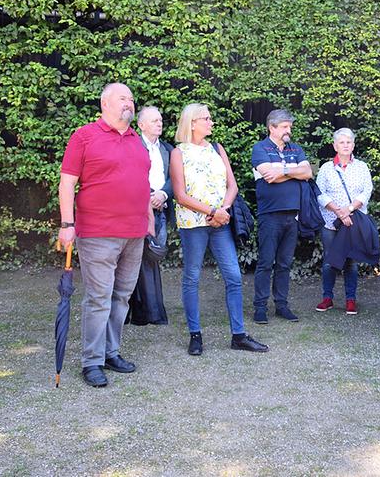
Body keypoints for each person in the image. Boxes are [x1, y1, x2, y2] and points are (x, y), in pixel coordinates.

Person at [58, 82, 154, 388]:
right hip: (98, 232)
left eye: (131, 98)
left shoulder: (137, 140)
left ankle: (111, 352)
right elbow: (66, 183)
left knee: (122, 297)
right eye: (122, 98)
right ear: (105, 104)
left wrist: (148, 218)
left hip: (134, 233)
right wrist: (66, 223)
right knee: (99, 298)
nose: (129, 102)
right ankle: (92, 361)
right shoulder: (84, 136)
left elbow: (141, 182)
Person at [170, 103, 269, 356]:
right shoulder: (178, 153)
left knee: (234, 277)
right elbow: (180, 195)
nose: (211, 122)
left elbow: (232, 185)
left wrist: (223, 210)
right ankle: (195, 335)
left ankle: (238, 335)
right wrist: (212, 213)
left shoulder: (217, 148)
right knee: (192, 278)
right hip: (193, 225)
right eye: (206, 118)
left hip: (220, 223)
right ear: (192, 123)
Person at [251, 109, 313, 323]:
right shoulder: (259, 148)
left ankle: (281, 305)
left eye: (290, 126)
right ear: (272, 127)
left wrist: (283, 171)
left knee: (285, 263)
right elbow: (269, 177)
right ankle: (260, 307)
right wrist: (293, 171)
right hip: (270, 215)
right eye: (285, 126)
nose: (289, 130)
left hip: (293, 215)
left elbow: (308, 172)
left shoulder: (295, 148)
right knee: (266, 262)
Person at [314, 128, 374, 315]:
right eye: (342, 142)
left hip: (352, 223)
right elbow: (319, 194)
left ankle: (350, 300)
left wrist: (348, 210)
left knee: (351, 262)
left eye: (349, 142)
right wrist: (339, 212)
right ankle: (327, 298)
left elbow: (367, 191)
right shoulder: (325, 168)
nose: (346, 145)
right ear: (335, 145)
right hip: (331, 223)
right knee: (329, 261)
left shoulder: (362, 167)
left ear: (353, 145)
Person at [126, 106, 175, 325]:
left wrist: (163, 194)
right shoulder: (131, 146)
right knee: (132, 258)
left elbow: (176, 178)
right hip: (136, 210)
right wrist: (148, 196)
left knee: (152, 257)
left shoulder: (168, 149)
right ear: (141, 124)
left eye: (160, 120)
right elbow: (127, 176)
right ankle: (138, 311)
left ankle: (148, 310)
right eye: (154, 120)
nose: (159, 123)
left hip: (161, 209)